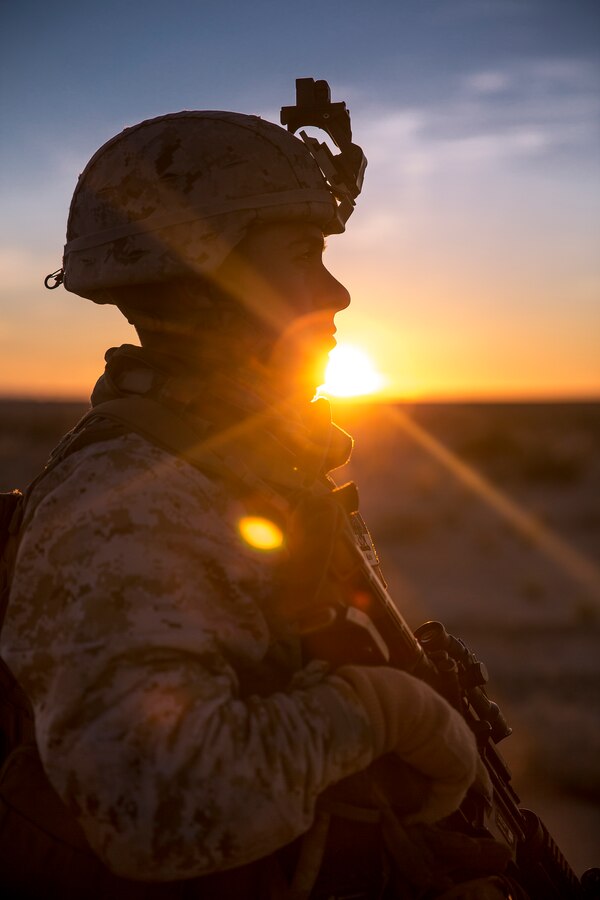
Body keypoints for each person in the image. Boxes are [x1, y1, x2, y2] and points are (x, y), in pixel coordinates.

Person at [0, 84, 515, 898]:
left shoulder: (237, 461)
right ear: (207, 268)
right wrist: (385, 715)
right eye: (305, 254)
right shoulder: (132, 493)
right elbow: (154, 810)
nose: (337, 293)